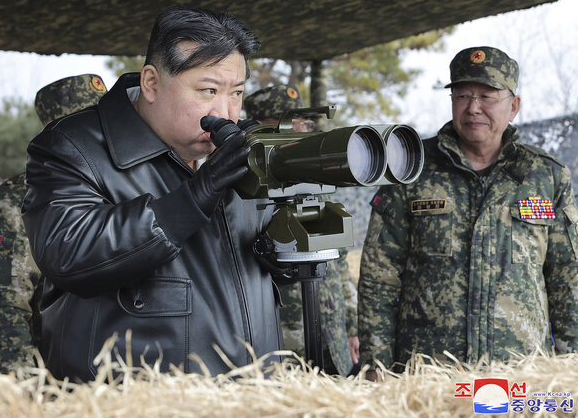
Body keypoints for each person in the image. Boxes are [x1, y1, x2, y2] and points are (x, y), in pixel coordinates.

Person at [21, 6, 283, 381]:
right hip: (133, 402)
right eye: (208, 90)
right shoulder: (72, 148)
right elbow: (69, 254)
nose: (226, 112)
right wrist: (193, 199)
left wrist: (286, 254)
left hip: (255, 397)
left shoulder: (241, 151)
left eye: (236, 93)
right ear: (151, 83)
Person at [358, 46, 578, 379]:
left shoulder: (545, 176)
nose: (473, 108)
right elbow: (380, 277)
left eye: (487, 96)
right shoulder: (411, 171)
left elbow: (568, 281)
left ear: (514, 106)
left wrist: (570, 369)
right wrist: (376, 366)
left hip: (519, 374)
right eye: (462, 95)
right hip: (429, 376)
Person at [0, 74, 107, 372]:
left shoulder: (130, 186)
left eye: (102, 122)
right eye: (84, 125)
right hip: (58, 383)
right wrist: (26, 395)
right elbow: (3, 306)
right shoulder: (15, 200)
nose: (99, 134)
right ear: (54, 132)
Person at [244, 84, 360, 375]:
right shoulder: (243, 191)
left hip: (332, 339)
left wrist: (351, 325)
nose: (299, 132)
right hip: (282, 344)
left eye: (304, 124)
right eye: (286, 124)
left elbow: (340, 261)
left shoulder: (317, 185)